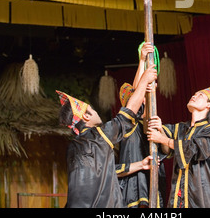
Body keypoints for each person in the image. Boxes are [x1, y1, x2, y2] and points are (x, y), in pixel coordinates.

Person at [56, 62, 157, 208]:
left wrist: (141, 164)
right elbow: (127, 114)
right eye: (92, 109)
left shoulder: (73, 146)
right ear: (86, 117)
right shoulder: (98, 137)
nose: (96, 111)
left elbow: (109, 171)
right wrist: (144, 80)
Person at [147, 83, 210, 208]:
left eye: (200, 95)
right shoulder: (181, 128)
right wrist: (160, 128)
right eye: (194, 94)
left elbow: (193, 149)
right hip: (180, 198)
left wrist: (163, 138)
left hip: (205, 200)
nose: (194, 96)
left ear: (209, 104)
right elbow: (166, 147)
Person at [115, 42, 167, 208]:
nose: (144, 100)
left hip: (152, 186)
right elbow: (138, 91)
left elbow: (167, 151)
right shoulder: (125, 126)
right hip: (130, 189)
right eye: (141, 99)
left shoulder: (152, 122)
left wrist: (161, 136)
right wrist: (142, 60)